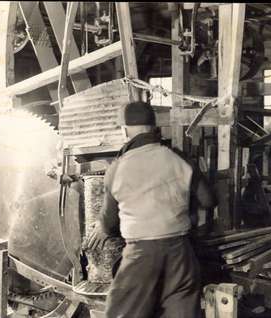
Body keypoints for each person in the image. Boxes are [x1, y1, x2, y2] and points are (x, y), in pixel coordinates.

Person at [86, 101, 217, 318]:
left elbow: (108, 224)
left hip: (141, 255)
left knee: (123, 313)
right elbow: (208, 199)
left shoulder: (117, 168)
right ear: (154, 127)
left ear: (125, 130)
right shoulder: (177, 158)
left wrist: (102, 224)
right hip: (181, 253)